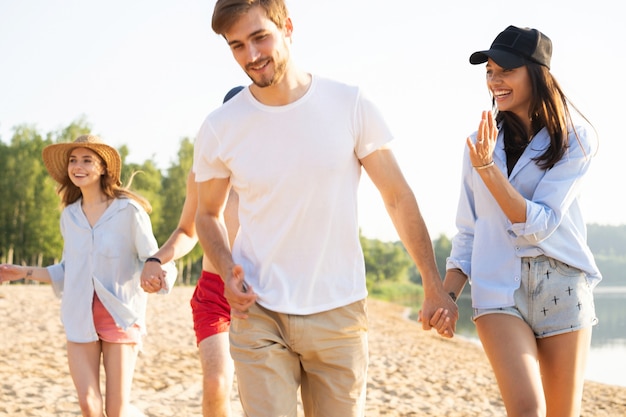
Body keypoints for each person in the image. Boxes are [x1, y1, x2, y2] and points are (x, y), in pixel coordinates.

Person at [192, 1, 456, 416]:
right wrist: (226, 270)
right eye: (237, 45)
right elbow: (206, 215)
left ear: (288, 27)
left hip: (339, 312)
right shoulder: (221, 126)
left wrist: (431, 282)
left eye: (260, 37)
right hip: (258, 311)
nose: (252, 55)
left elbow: (397, 196)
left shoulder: (349, 104)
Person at [436, 26, 601, 417]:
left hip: (562, 285)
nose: (495, 80)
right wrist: (446, 296)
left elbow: (539, 223)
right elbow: (469, 229)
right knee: (525, 409)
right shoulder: (479, 143)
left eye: (505, 70)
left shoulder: (576, 141)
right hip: (498, 291)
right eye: (489, 71)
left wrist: (488, 171)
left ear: (536, 73)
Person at [0, 134, 176, 417]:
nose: (77, 166)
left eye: (86, 160)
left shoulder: (128, 211)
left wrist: (157, 278)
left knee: (116, 411)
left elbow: (156, 258)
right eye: (73, 160)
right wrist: (20, 272)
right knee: (89, 407)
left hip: (120, 317)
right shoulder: (69, 216)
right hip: (79, 317)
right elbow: (68, 271)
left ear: (104, 168)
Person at [140, 86, 244, 417]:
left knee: (262, 397)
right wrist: (157, 259)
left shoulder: (274, 171)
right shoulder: (204, 172)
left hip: (264, 292)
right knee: (216, 384)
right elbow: (188, 230)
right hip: (215, 293)